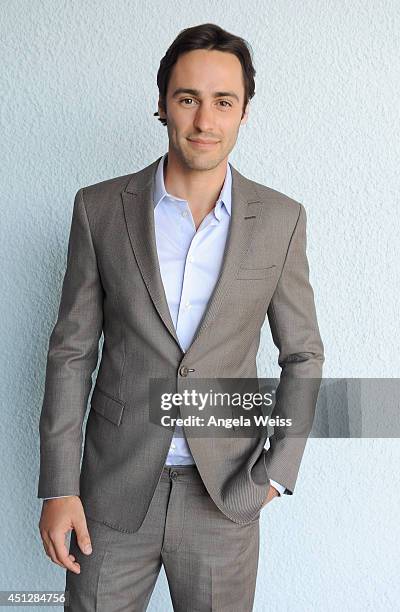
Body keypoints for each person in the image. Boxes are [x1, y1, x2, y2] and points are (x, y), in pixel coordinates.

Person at [38, 22, 324, 611]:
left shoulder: (280, 220)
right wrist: (60, 487)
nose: (204, 121)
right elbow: (71, 353)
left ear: (244, 111)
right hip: (111, 499)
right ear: (163, 103)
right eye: (188, 98)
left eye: (224, 102)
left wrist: (274, 473)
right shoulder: (99, 210)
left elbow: (303, 355)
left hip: (224, 496)